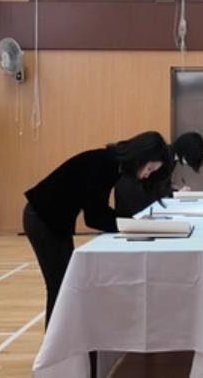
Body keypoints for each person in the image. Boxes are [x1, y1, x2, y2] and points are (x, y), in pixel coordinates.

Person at [22, 131, 171, 328]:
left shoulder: (111, 165)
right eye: (149, 169)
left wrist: (132, 223)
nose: (147, 175)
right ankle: (54, 342)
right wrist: (133, 225)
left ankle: (60, 338)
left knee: (65, 284)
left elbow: (98, 213)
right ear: (140, 157)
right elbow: (94, 217)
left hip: (56, 221)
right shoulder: (103, 164)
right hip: (41, 218)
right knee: (59, 285)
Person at [114, 132, 203, 217]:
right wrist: (173, 193)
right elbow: (154, 188)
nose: (147, 175)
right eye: (149, 169)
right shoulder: (165, 157)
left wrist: (172, 190)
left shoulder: (168, 158)